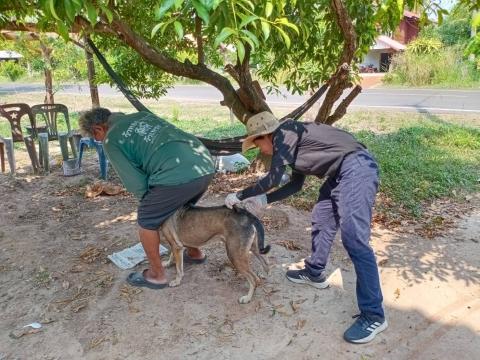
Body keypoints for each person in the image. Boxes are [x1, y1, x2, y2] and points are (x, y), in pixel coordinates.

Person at [225, 111, 387, 344]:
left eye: (257, 143)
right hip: (339, 174)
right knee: (322, 219)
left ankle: (374, 315)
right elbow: (295, 185)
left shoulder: (285, 133)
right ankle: (314, 272)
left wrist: (239, 194)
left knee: (355, 241)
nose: (259, 150)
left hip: (357, 169)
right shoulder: (293, 143)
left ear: (266, 135)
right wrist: (264, 200)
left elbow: (272, 179)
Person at [79, 108, 215, 289]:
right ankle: (194, 252)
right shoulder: (141, 116)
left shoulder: (111, 139)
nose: (97, 140)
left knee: (146, 220)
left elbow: (134, 182)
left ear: (98, 129)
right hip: (204, 164)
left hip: (177, 174)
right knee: (180, 210)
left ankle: (157, 275)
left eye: (95, 136)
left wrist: (150, 206)